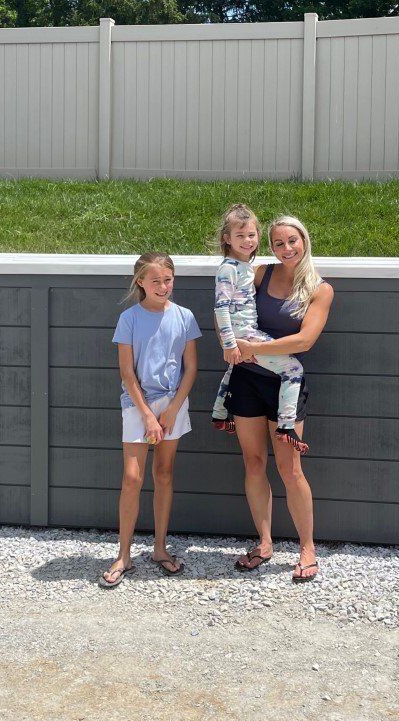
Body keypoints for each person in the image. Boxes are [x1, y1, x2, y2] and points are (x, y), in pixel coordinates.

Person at [227, 216, 334, 583]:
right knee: (254, 463)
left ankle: (307, 548)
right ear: (269, 246)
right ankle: (265, 543)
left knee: (290, 469)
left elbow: (304, 341)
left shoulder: (320, 289)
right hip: (246, 380)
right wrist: (230, 343)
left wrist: (256, 347)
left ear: (304, 241)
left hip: (285, 388)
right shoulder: (260, 274)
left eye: (293, 241)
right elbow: (228, 307)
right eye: (278, 243)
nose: (286, 249)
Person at [101, 252, 201, 588]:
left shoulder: (184, 317)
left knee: (164, 472)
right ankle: (124, 555)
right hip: (137, 405)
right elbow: (127, 373)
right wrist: (147, 415)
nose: (163, 286)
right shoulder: (129, 319)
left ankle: (160, 548)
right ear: (140, 282)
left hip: (173, 404)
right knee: (132, 477)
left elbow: (191, 369)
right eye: (155, 280)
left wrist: (172, 408)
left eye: (168, 279)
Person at [209, 203, 309, 452]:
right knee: (293, 368)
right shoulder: (228, 270)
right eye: (240, 236)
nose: (247, 240)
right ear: (227, 239)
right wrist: (230, 343)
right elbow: (220, 308)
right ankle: (286, 425)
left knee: (236, 366)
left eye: (251, 235)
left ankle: (220, 413)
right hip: (245, 333)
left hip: (246, 333)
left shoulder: (245, 268)